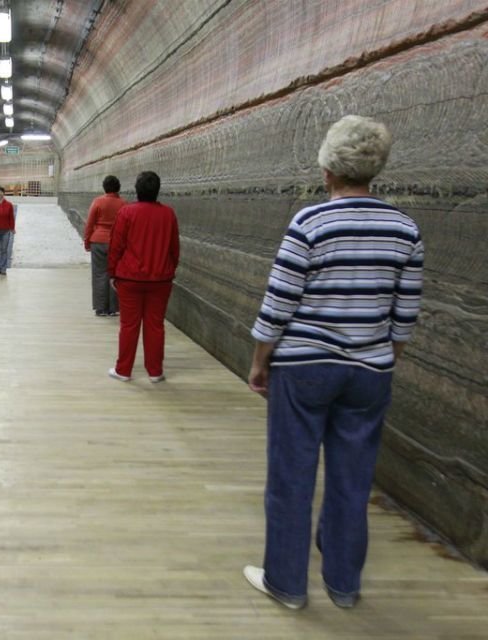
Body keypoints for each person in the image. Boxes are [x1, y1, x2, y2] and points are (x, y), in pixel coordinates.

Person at [243, 115, 424, 610]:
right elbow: (405, 314)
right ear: (375, 169)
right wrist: (382, 359)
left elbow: (278, 303)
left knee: (292, 475)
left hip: (303, 368)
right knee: (352, 478)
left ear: (327, 170)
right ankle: (343, 585)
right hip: (369, 371)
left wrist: (260, 361)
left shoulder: (309, 224)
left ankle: (287, 583)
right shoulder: (405, 230)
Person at [107, 171, 180, 383]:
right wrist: (169, 269)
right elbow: (174, 249)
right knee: (155, 326)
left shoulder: (126, 212)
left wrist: (112, 272)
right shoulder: (169, 214)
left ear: (137, 190)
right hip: (160, 280)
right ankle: (155, 372)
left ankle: (123, 370)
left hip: (129, 278)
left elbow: (116, 246)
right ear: (157, 190)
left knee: (129, 326)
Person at [83, 175, 125, 316]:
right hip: (116, 243)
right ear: (118, 188)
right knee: (115, 274)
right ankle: (113, 308)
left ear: (104, 187)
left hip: (98, 241)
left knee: (99, 274)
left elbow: (89, 224)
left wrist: (87, 242)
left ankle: (101, 308)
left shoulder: (98, 202)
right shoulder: (123, 204)